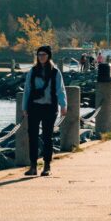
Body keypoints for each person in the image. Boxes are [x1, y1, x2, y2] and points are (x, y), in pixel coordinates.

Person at [21, 45, 68, 176]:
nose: (41, 57)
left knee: (48, 137)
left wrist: (63, 105)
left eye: (44, 54)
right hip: (34, 107)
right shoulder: (33, 71)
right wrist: (24, 107)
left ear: (49, 56)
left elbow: (60, 89)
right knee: (33, 137)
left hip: (49, 107)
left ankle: (47, 166)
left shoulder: (55, 72)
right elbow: (27, 90)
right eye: (39, 54)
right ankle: (33, 166)